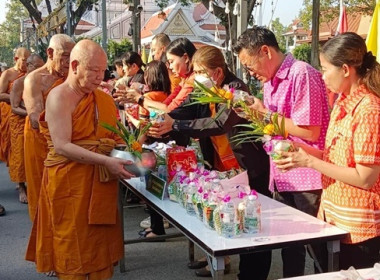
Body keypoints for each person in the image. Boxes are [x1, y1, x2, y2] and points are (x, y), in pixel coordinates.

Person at [149, 45, 271, 279]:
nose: (196, 77)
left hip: (247, 167)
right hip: (221, 168)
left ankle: (252, 275)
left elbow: (219, 123)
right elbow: (187, 109)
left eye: (200, 72)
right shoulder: (206, 89)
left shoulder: (235, 89)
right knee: (229, 218)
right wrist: (166, 119)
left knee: (252, 225)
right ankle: (231, 266)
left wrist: (175, 125)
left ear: (216, 72)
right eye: (194, 72)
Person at [25, 39, 134, 279]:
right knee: (71, 245)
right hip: (69, 183)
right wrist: (106, 161)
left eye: (102, 70)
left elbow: (112, 137)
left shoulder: (103, 99)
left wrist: (130, 150)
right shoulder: (59, 97)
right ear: (75, 65)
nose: (99, 76)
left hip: (99, 182)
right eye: (93, 70)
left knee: (100, 249)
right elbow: (62, 146)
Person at [275, 32, 380, 270]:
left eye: (324, 69)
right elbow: (337, 160)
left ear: (345, 69)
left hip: (358, 228)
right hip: (334, 218)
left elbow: (365, 178)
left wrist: (310, 163)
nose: (322, 77)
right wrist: (301, 152)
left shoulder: (369, 110)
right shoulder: (343, 102)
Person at [233, 26, 330, 278]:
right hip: (282, 173)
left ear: (265, 51)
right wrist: (256, 115)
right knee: (289, 246)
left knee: (315, 248)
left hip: (305, 175)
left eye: (249, 64)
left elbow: (309, 131)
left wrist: (264, 113)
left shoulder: (301, 74)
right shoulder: (270, 81)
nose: (249, 72)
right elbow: (275, 127)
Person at [23, 34, 75, 222]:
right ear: (50, 52)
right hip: (41, 141)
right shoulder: (34, 79)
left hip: (67, 140)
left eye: (72, 57)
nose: (69, 62)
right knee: (42, 191)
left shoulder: (70, 76)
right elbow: (36, 117)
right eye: (65, 56)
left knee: (67, 195)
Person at [122, 37, 196, 113]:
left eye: (171, 61)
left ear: (186, 58)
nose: (170, 67)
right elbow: (167, 103)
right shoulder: (185, 79)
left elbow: (169, 110)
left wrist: (139, 98)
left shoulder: (193, 80)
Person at [9, 53, 44, 204]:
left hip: (40, 124)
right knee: (21, 156)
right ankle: (22, 187)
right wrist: (32, 113)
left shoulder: (43, 81)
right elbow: (14, 107)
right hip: (21, 122)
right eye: (36, 67)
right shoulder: (19, 83)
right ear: (28, 66)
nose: (40, 70)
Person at [0, 47, 30, 165]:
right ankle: (20, 180)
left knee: (27, 146)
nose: (27, 64)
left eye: (29, 61)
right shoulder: (8, 74)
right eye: (24, 60)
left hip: (27, 112)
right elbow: (1, 94)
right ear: (16, 59)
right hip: (11, 114)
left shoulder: (30, 73)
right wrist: (16, 99)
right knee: (15, 147)